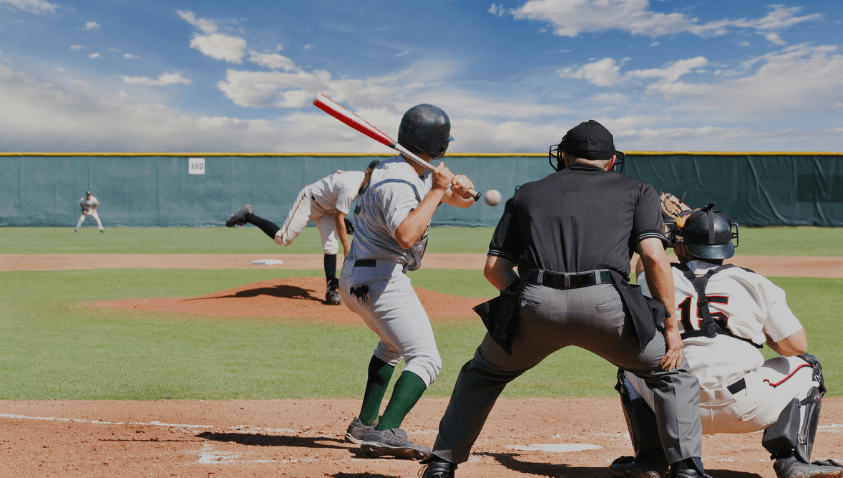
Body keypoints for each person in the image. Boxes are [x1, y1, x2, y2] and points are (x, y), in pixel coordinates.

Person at [420, 120, 709, 478]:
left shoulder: (526, 192)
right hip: (609, 307)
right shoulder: (638, 189)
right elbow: (653, 257)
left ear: (566, 156)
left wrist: (525, 299)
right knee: (672, 375)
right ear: (611, 160)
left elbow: (494, 268)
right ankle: (686, 471)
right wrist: (670, 327)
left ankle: (440, 465)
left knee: (482, 374)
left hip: (536, 302)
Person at [610, 205, 843, 478]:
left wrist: (659, 233)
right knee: (808, 365)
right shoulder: (753, 282)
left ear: (679, 246)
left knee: (629, 368)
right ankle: (791, 459)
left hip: (673, 406)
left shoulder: (658, 281)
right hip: (746, 406)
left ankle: (651, 460)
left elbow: (645, 265)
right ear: (727, 245)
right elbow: (796, 346)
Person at [339, 104, 476, 460]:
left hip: (358, 275)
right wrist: (437, 191)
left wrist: (459, 191)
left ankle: (365, 424)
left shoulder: (399, 171)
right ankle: (386, 431)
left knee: (391, 345)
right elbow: (406, 234)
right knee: (427, 358)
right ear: (440, 146)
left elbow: (454, 202)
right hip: (382, 276)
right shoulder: (400, 183)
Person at [225, 160, 380, 305]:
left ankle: (332, 289)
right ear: (367, 171)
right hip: (310, 201)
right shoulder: (352, 185)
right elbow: (340, 217)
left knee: (331, 246)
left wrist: (345, 222)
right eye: (374, 174)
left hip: (328, 208)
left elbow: (341, 211)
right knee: (283, 238)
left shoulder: (365, 186)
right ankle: (247, 215)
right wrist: (347, 249)